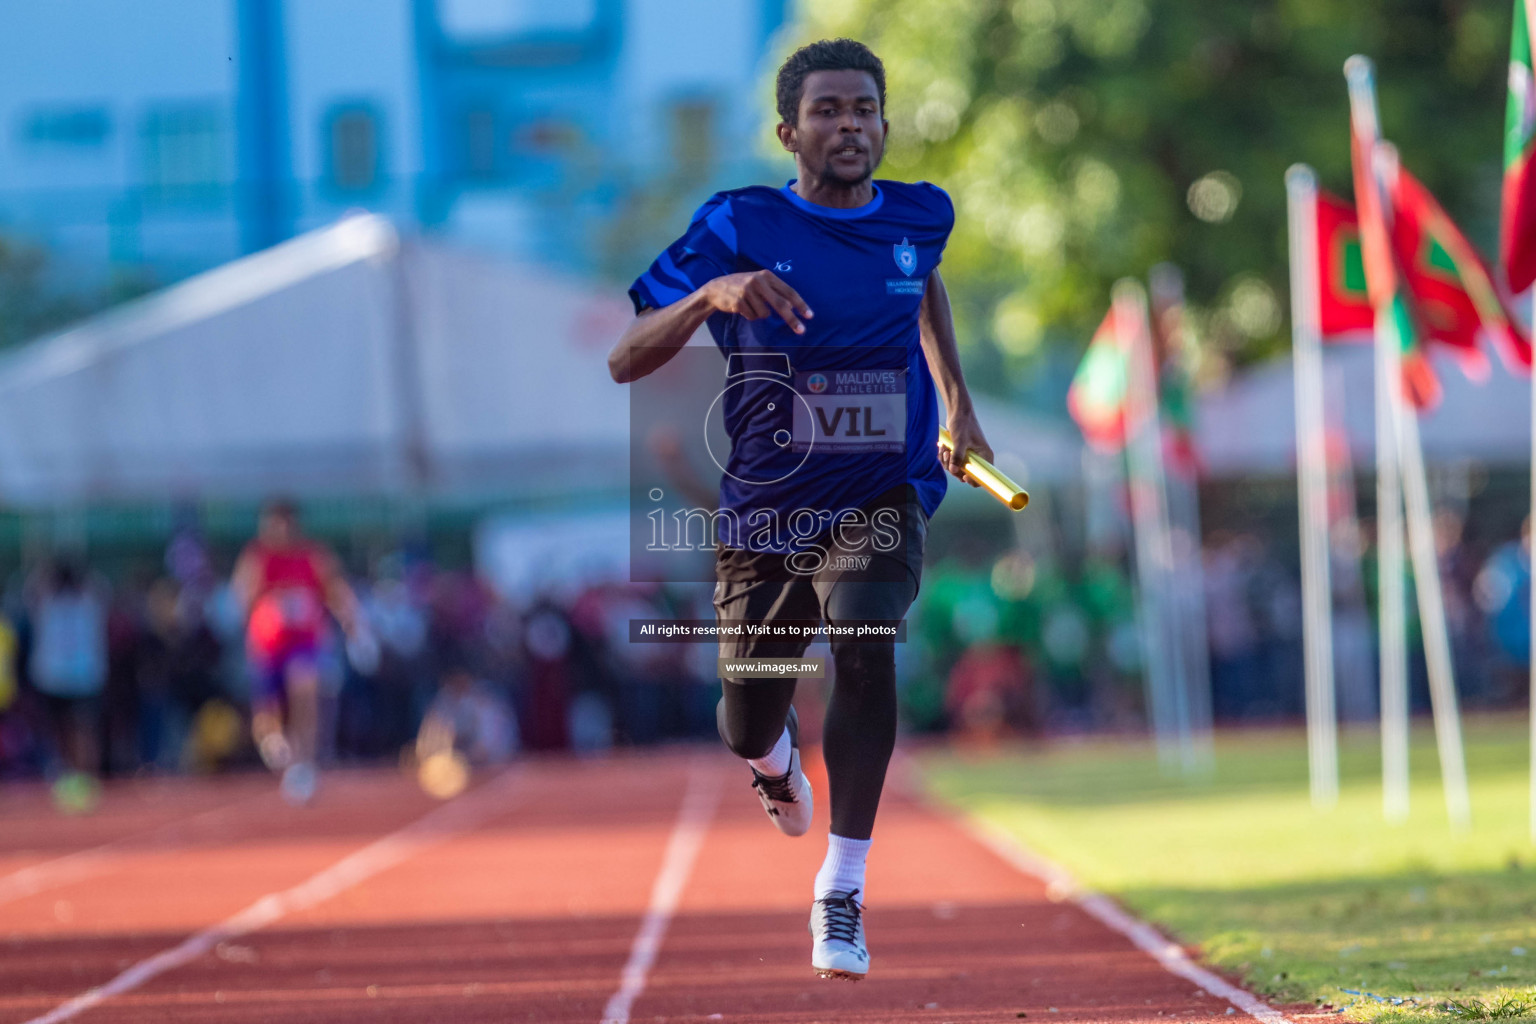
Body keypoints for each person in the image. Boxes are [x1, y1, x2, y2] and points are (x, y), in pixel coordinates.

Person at [607, 38, 992, 980]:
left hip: (883, 488)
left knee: (865, 633)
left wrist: (956, 400)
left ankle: (843, 887)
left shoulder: (921, 215)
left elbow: (921, 285)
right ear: (790, 131)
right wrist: (708, 294)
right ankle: (773, 761)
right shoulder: (737, 222)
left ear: (884, 123)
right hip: (768, 515)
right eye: (827, 110)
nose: (849, 124)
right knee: (748, 718)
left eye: (864, 108)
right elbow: (624, 356)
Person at [232, 499, 368, 804]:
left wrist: (354, 628)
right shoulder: (257, 558)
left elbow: (336, 592)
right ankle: (274, 743)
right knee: (268, 715)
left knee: (305, 688)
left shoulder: (313, 556)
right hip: (268, 646)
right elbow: (241, 597)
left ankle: (303, 765)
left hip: (304, 642)